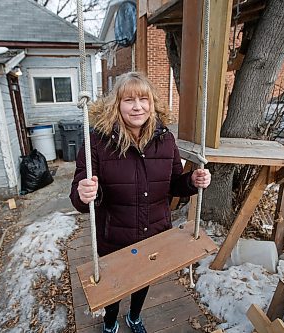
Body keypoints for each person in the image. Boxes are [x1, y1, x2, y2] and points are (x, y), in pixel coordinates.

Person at [70, 72, 211, 333]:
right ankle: (111, 321)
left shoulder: (165, 139)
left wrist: (192, 181)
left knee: (143, 280)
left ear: (152, 103)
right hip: (114, 234)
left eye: (143, 99)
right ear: (117, 105)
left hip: (153, 232)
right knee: (113, 285)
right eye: (129, 100)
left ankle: (134, 316)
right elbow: (80, 199)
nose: (137, 106)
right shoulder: (97, 142)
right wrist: (85, 193)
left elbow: (173, 184)